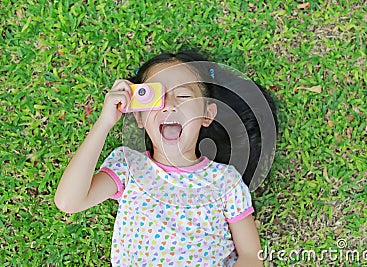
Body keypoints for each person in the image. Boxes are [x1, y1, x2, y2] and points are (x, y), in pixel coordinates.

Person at [55, 50, 277, 266]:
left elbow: (250, 255)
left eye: (183, 95)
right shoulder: (128, 167)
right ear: (140, 116)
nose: (170, 105)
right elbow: (69, 201)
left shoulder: (226, 181)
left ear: (207, 114)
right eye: (156, 99)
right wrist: (105, 122)